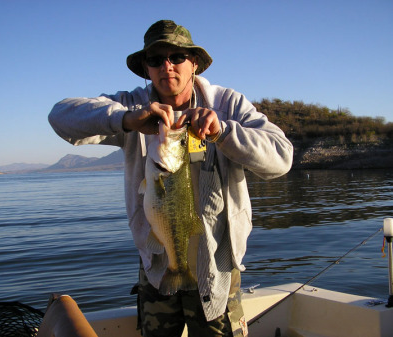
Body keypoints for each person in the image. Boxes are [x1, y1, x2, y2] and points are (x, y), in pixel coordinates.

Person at [48, 20, 293, 337]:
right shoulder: (132, 106)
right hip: (157, 266)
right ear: (146, 68)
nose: (167, 66)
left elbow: (281, 158)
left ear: (194, 64)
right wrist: (124, 119)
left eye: (177, 57)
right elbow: (60, 116)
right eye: (155, 59)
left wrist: (223, 131)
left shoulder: (228, 104)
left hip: (216, 267)